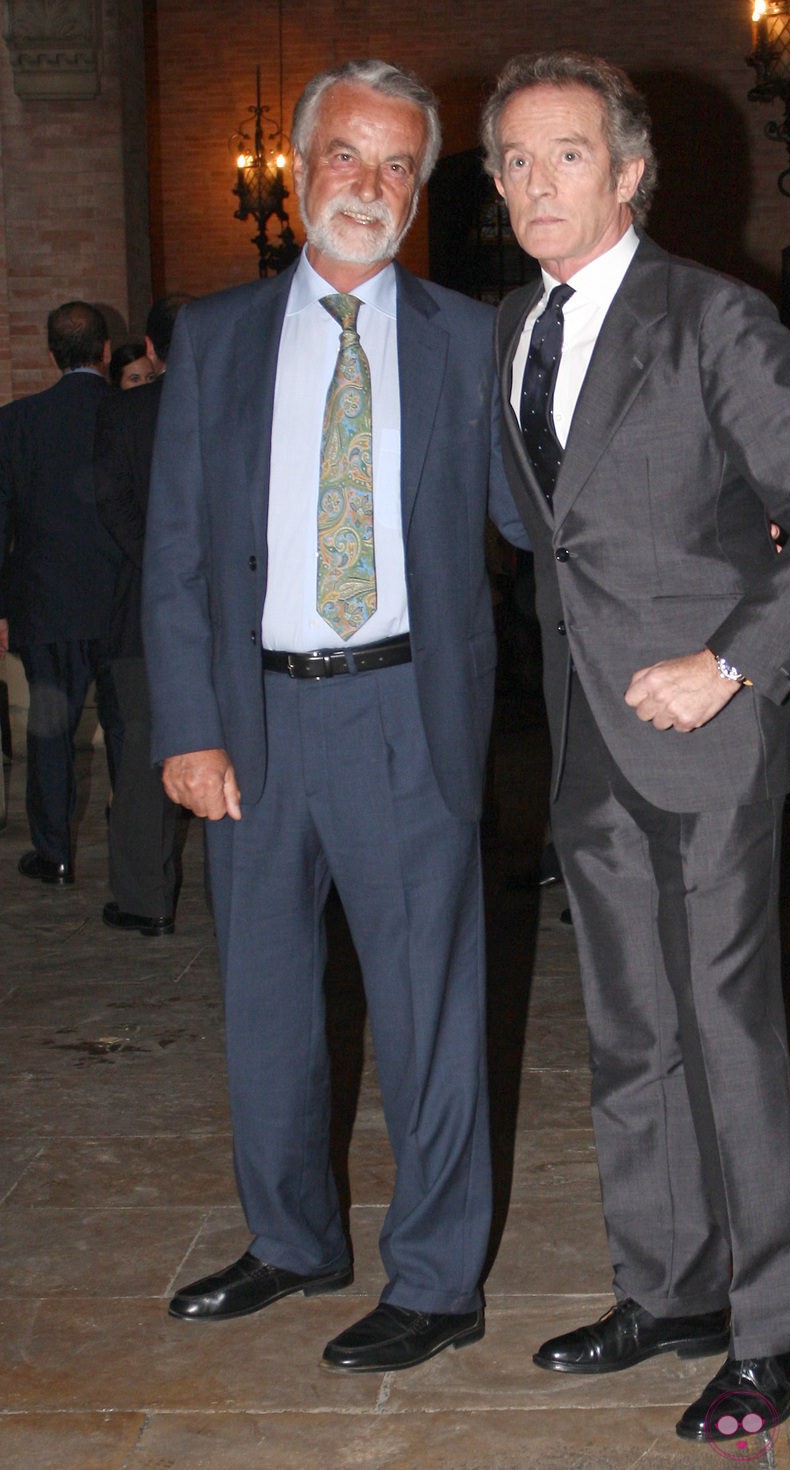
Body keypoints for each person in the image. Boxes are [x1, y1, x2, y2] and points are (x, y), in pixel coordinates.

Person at [482, 51, 790, 1445]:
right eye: (515, 160)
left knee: (727, 1033)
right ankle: (667, 1290)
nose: (538, 182)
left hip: (707, 734)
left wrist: (727, 663)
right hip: (586, 737)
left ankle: (778, 1326)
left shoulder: (712, 315)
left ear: (630, 172)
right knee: (626, 1030)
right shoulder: (513, 325)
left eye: (568, 155)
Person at [142, 59, 528, 1374]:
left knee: (428, 1016)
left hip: (406, 715)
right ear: (302, 168)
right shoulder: (217, 336)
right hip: (252, 722)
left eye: (398, 165)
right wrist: (186, 725)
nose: (371, 184)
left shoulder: (474, 337)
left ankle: (437, 1279)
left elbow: (541, 516)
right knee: (264, 1009)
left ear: (419, 193)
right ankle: (293, 1239)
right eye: (348, 156)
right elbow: (177, 549)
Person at [0, 301, 123, 884]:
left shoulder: (15, 422)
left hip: (46, 605)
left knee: (49, 733)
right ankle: (136, 855)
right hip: (122, 604)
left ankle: (54, 854)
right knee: (128, 732)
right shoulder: (128, 412)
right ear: (105, 351)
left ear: (51, 354)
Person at [94, 296, 190, 936]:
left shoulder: (125, 412)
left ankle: (145, 900)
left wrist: (159, 565)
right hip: (234, 611)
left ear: (151, 349)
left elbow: (111, 502)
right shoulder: (241, 405)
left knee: (141, 756)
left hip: (144, 611)